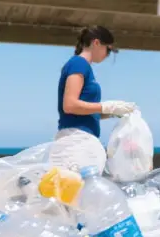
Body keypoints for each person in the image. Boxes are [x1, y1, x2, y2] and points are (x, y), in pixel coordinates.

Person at [51, 26, 137, 172]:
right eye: (108, 50)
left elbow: (82, 111)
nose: (108, 55)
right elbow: (70, 105)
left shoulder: (84, 67)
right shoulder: (78, 64)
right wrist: (106, 107)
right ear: (96, 43)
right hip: (75, 142)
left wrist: (113, 112)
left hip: (81, 141)